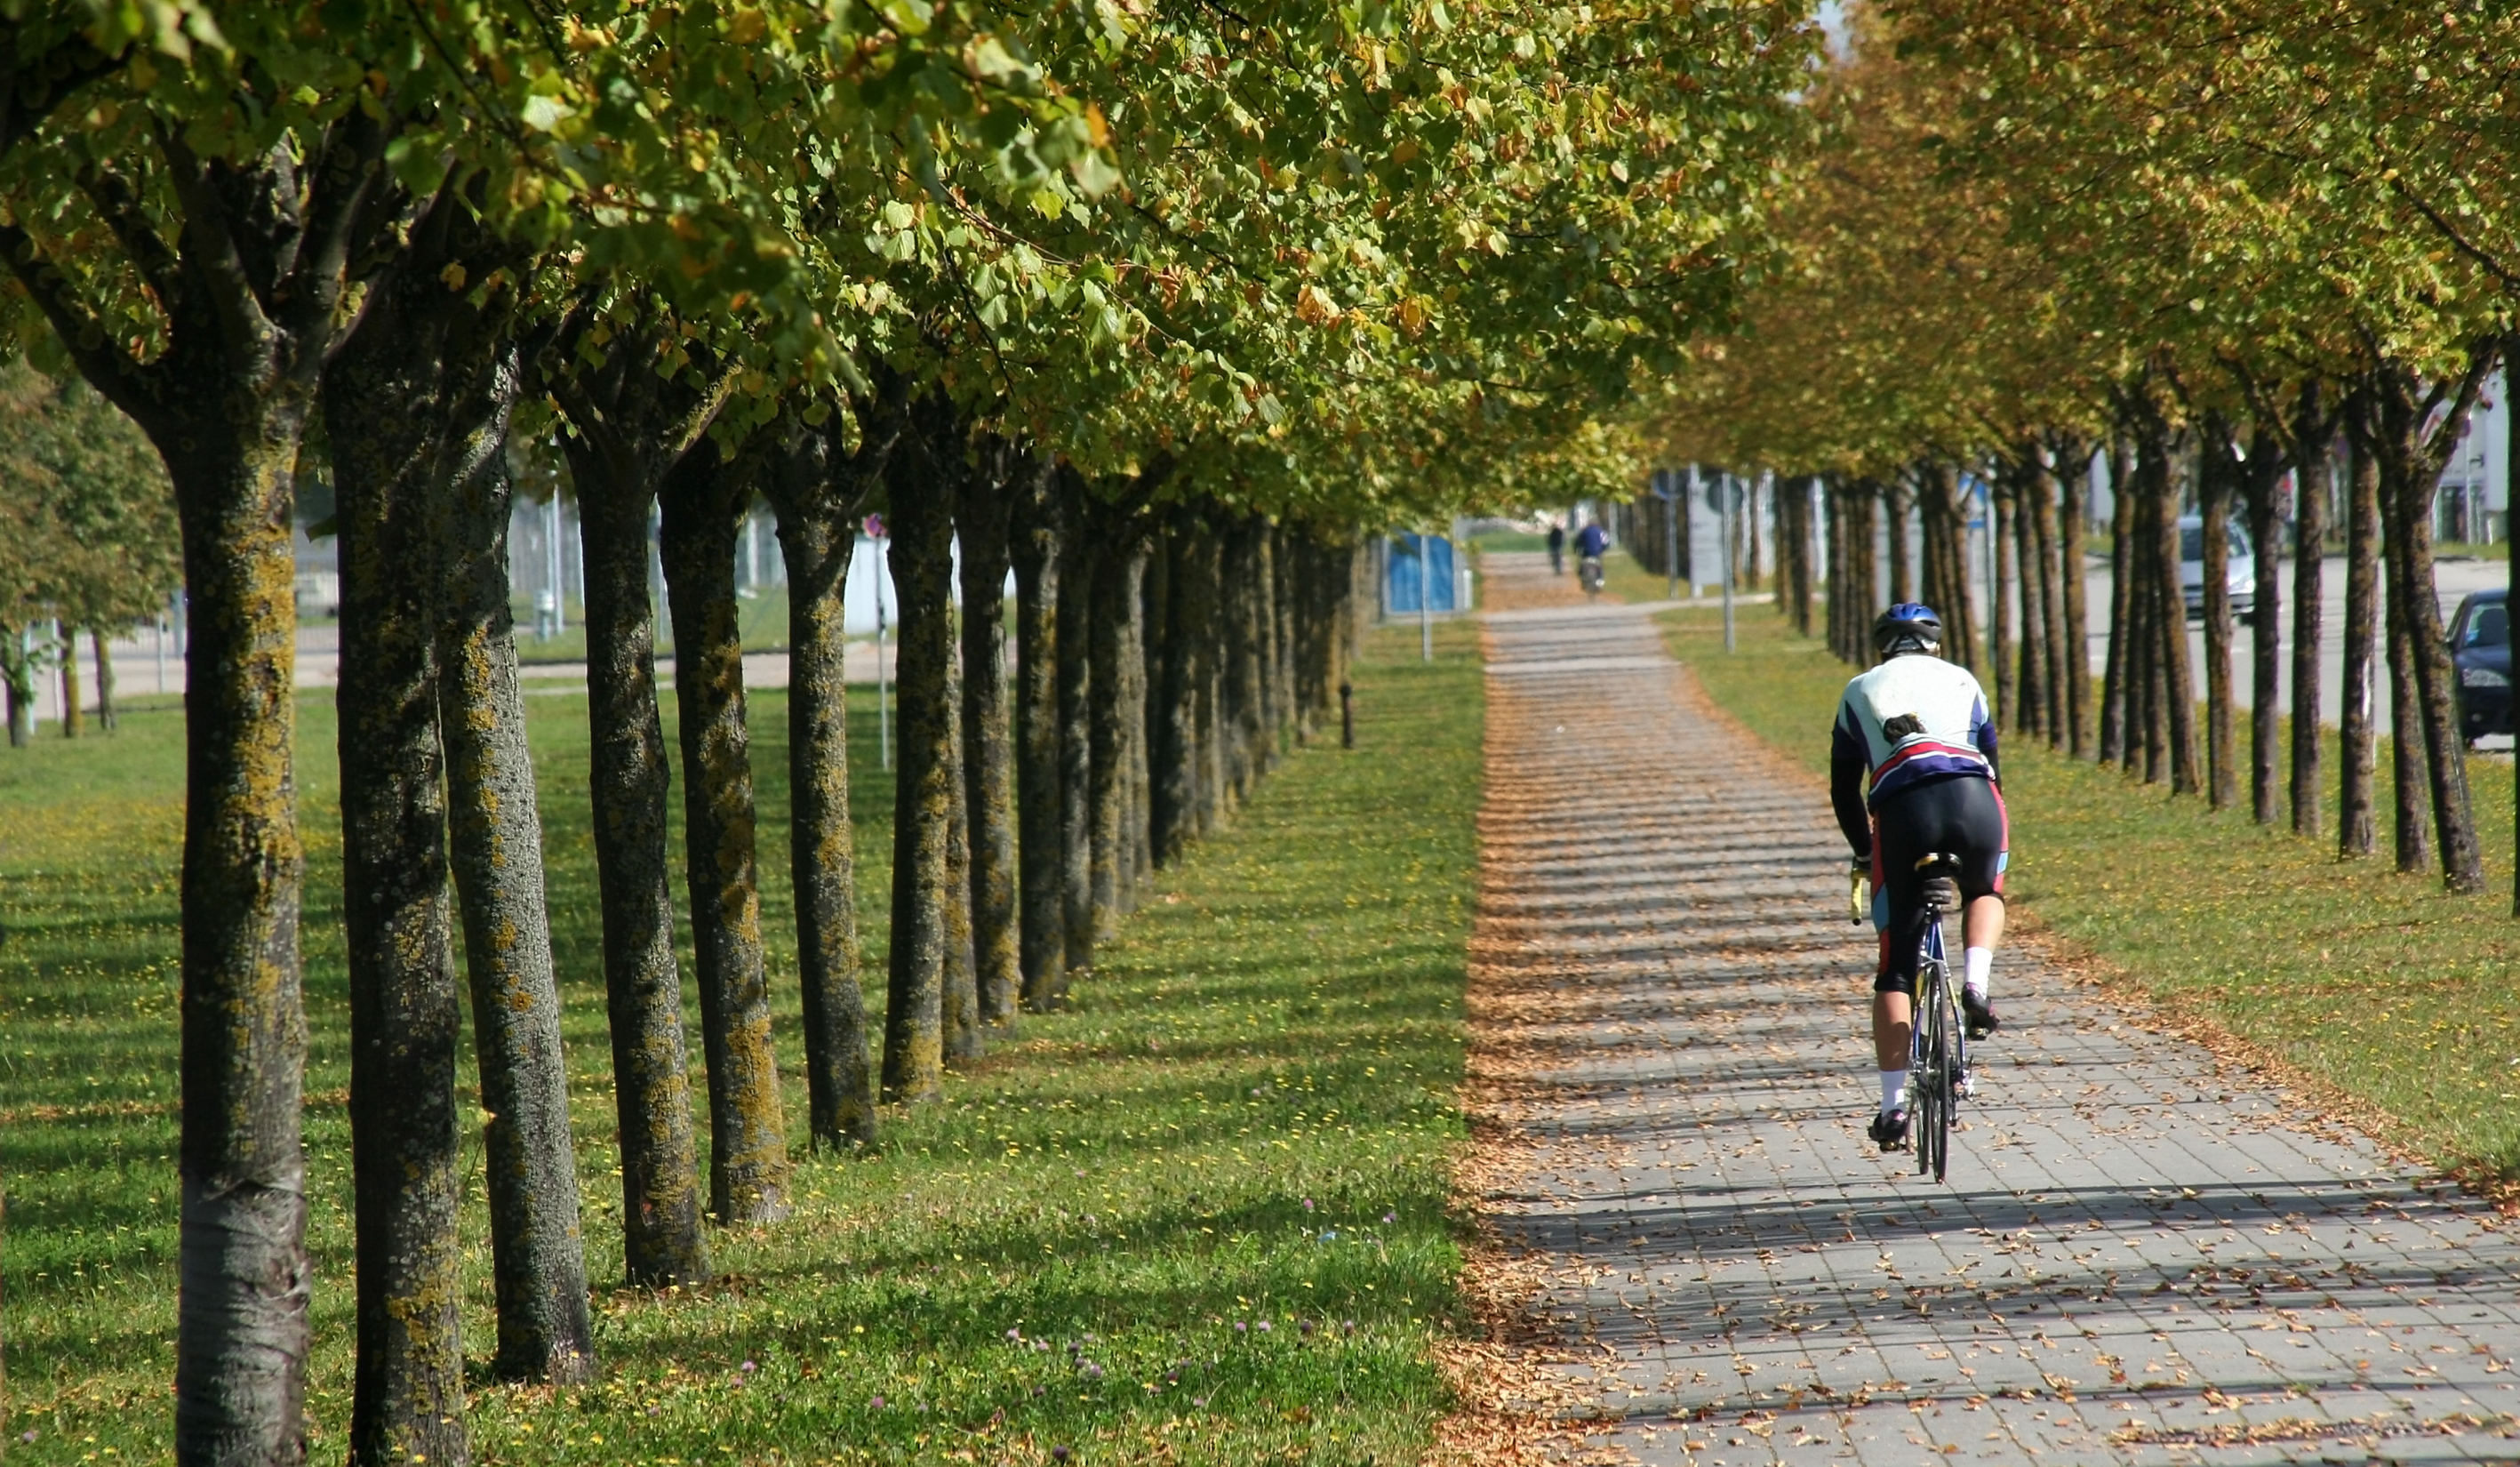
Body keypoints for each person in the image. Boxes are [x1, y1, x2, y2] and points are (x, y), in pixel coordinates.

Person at [1829, 602, 2007, 1153]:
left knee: (1896, 971)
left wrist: (1866, 851)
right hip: (1976, 800)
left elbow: (1843, 790)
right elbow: (1995, 764)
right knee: (1984, 890)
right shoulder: (1964, 679)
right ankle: (1976, 984)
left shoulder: (1859, 689)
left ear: (1882, 646)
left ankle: (1893, 1108)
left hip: (1903, 811)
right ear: (1935, 644)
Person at [1572, 519, 1607, 592]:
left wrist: (1576, 550)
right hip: (1597, 553)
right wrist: (1603, 550)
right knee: (1600, 566)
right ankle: (1600, 581)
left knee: (1581, 566)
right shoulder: (1601, 532)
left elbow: (1577, 541)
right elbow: (1606, 542)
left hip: (1586, 553)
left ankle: (1583, 579)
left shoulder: (1584, 531)